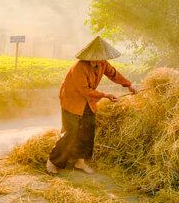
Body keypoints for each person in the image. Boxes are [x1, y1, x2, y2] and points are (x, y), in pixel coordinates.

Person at [46, 36, 137, 174]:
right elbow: (84, 91)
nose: (99, 60)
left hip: (89, 101)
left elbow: (114, 74)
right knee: (70, 133)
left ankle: (80, 162)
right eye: (96, 57)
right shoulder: (79, 67)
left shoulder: (102, 64)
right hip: (73, 101)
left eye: (101, 57)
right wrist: (105, 95)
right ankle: (53, 161)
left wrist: (129, 85)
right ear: (89, 56)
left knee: (87, 131)